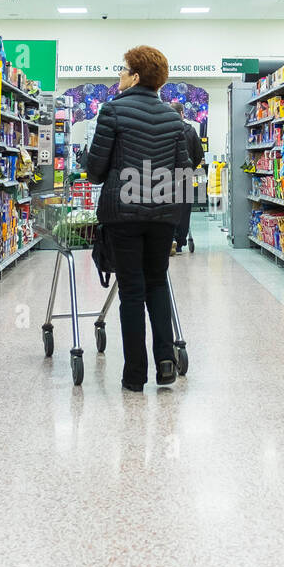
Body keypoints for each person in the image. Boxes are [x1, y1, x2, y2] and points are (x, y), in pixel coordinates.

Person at [87, 46, 190, 391]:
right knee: (157, 282)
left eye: (122, 69)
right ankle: (165, 361)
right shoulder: (175, 119)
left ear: (135, 76)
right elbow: (184, 173)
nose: (118, 75)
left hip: (124, 214)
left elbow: (96, 172)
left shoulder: (112, 111)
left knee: (132, 291)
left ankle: (135, 375)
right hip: (162, 214)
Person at [169, 101, 204, 255]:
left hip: (166, 176)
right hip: (185, 175)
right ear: (182, 113)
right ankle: (180, 242)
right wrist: (190, 166)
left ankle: (169, 240)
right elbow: (199, 154)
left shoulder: (164, 130)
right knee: (184, 210)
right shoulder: (190, 130)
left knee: (167, 207)